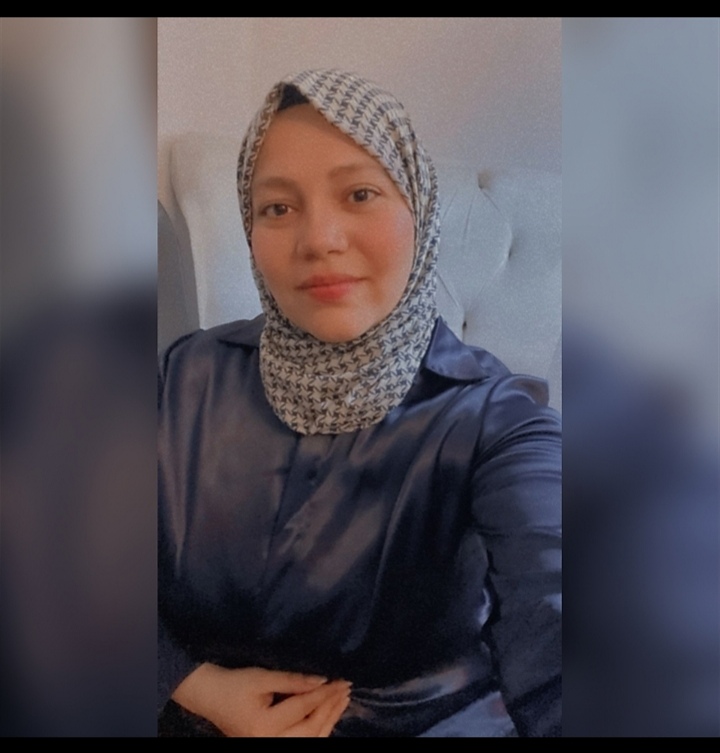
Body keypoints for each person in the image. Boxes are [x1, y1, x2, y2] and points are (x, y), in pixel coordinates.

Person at [158, 69, 561, 737]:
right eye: (277, 208)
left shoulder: (494, 419)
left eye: (360, 194)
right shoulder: (188, 375)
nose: (319, 238)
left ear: (419, 210)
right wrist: (193, 682)